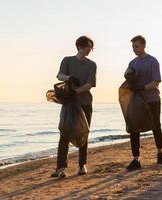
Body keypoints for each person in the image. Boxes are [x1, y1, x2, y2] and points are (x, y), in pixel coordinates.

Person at [51, 36, 97, 177]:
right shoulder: (67, 60)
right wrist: (70, 78)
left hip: (84, 103)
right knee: (64, 134)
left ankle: (82, 165)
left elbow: (90, 84)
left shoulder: (92, 65)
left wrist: (75, 92)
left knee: (83, 133)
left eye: (91, 47)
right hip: (69, 103)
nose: (89, 49)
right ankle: (61, 168)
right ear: (79, 47)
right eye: (87, 46)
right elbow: (59, 75)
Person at [125, 35, 162, 171]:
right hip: (137, 101)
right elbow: (129, 78)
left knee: (156, 126)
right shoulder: (132, 63)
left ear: (143, 46)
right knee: (134, 128)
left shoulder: (153, 61)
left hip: (152, 99)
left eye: (136, 46)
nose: (134, 49)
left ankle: (160, 153)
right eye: (133, 47)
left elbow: (156, 82)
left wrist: (142, 87)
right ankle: (136, 159)